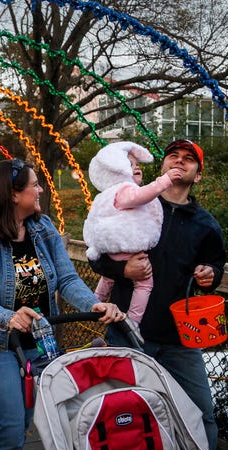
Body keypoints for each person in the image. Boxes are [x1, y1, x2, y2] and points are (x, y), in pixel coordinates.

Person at [0, 159, 125, 450]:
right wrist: (9, 317)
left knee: (55, 422)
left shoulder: (42, 227)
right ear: (12, 194)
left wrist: (94, 305)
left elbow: (66, 279)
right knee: (11, 430)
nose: (40, 190)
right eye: (34, 185)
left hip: (41, 342)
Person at [89, 139, 228, 450]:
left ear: (197, 175)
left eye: (189, 160)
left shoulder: (205, 225)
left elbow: (215, 266)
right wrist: (123, 270)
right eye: (174, 156)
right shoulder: (136, 202)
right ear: (163, 166)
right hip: (126, 331)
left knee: (201, 415)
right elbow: (98, 254)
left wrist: (209, 275)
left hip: (180, 339)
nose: (180, 162)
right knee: (123, 415)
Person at [82, 141, 183, 341]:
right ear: (117, 168)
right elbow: (141, 195)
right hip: (130, 250)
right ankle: (134, 321)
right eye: (129, 163)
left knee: (108, 278)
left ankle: (95, 301)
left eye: (137, 163)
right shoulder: (126, 190)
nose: (136, 167)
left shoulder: (107, 195)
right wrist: (164, 181)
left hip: (113, 249)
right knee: (144, 284)